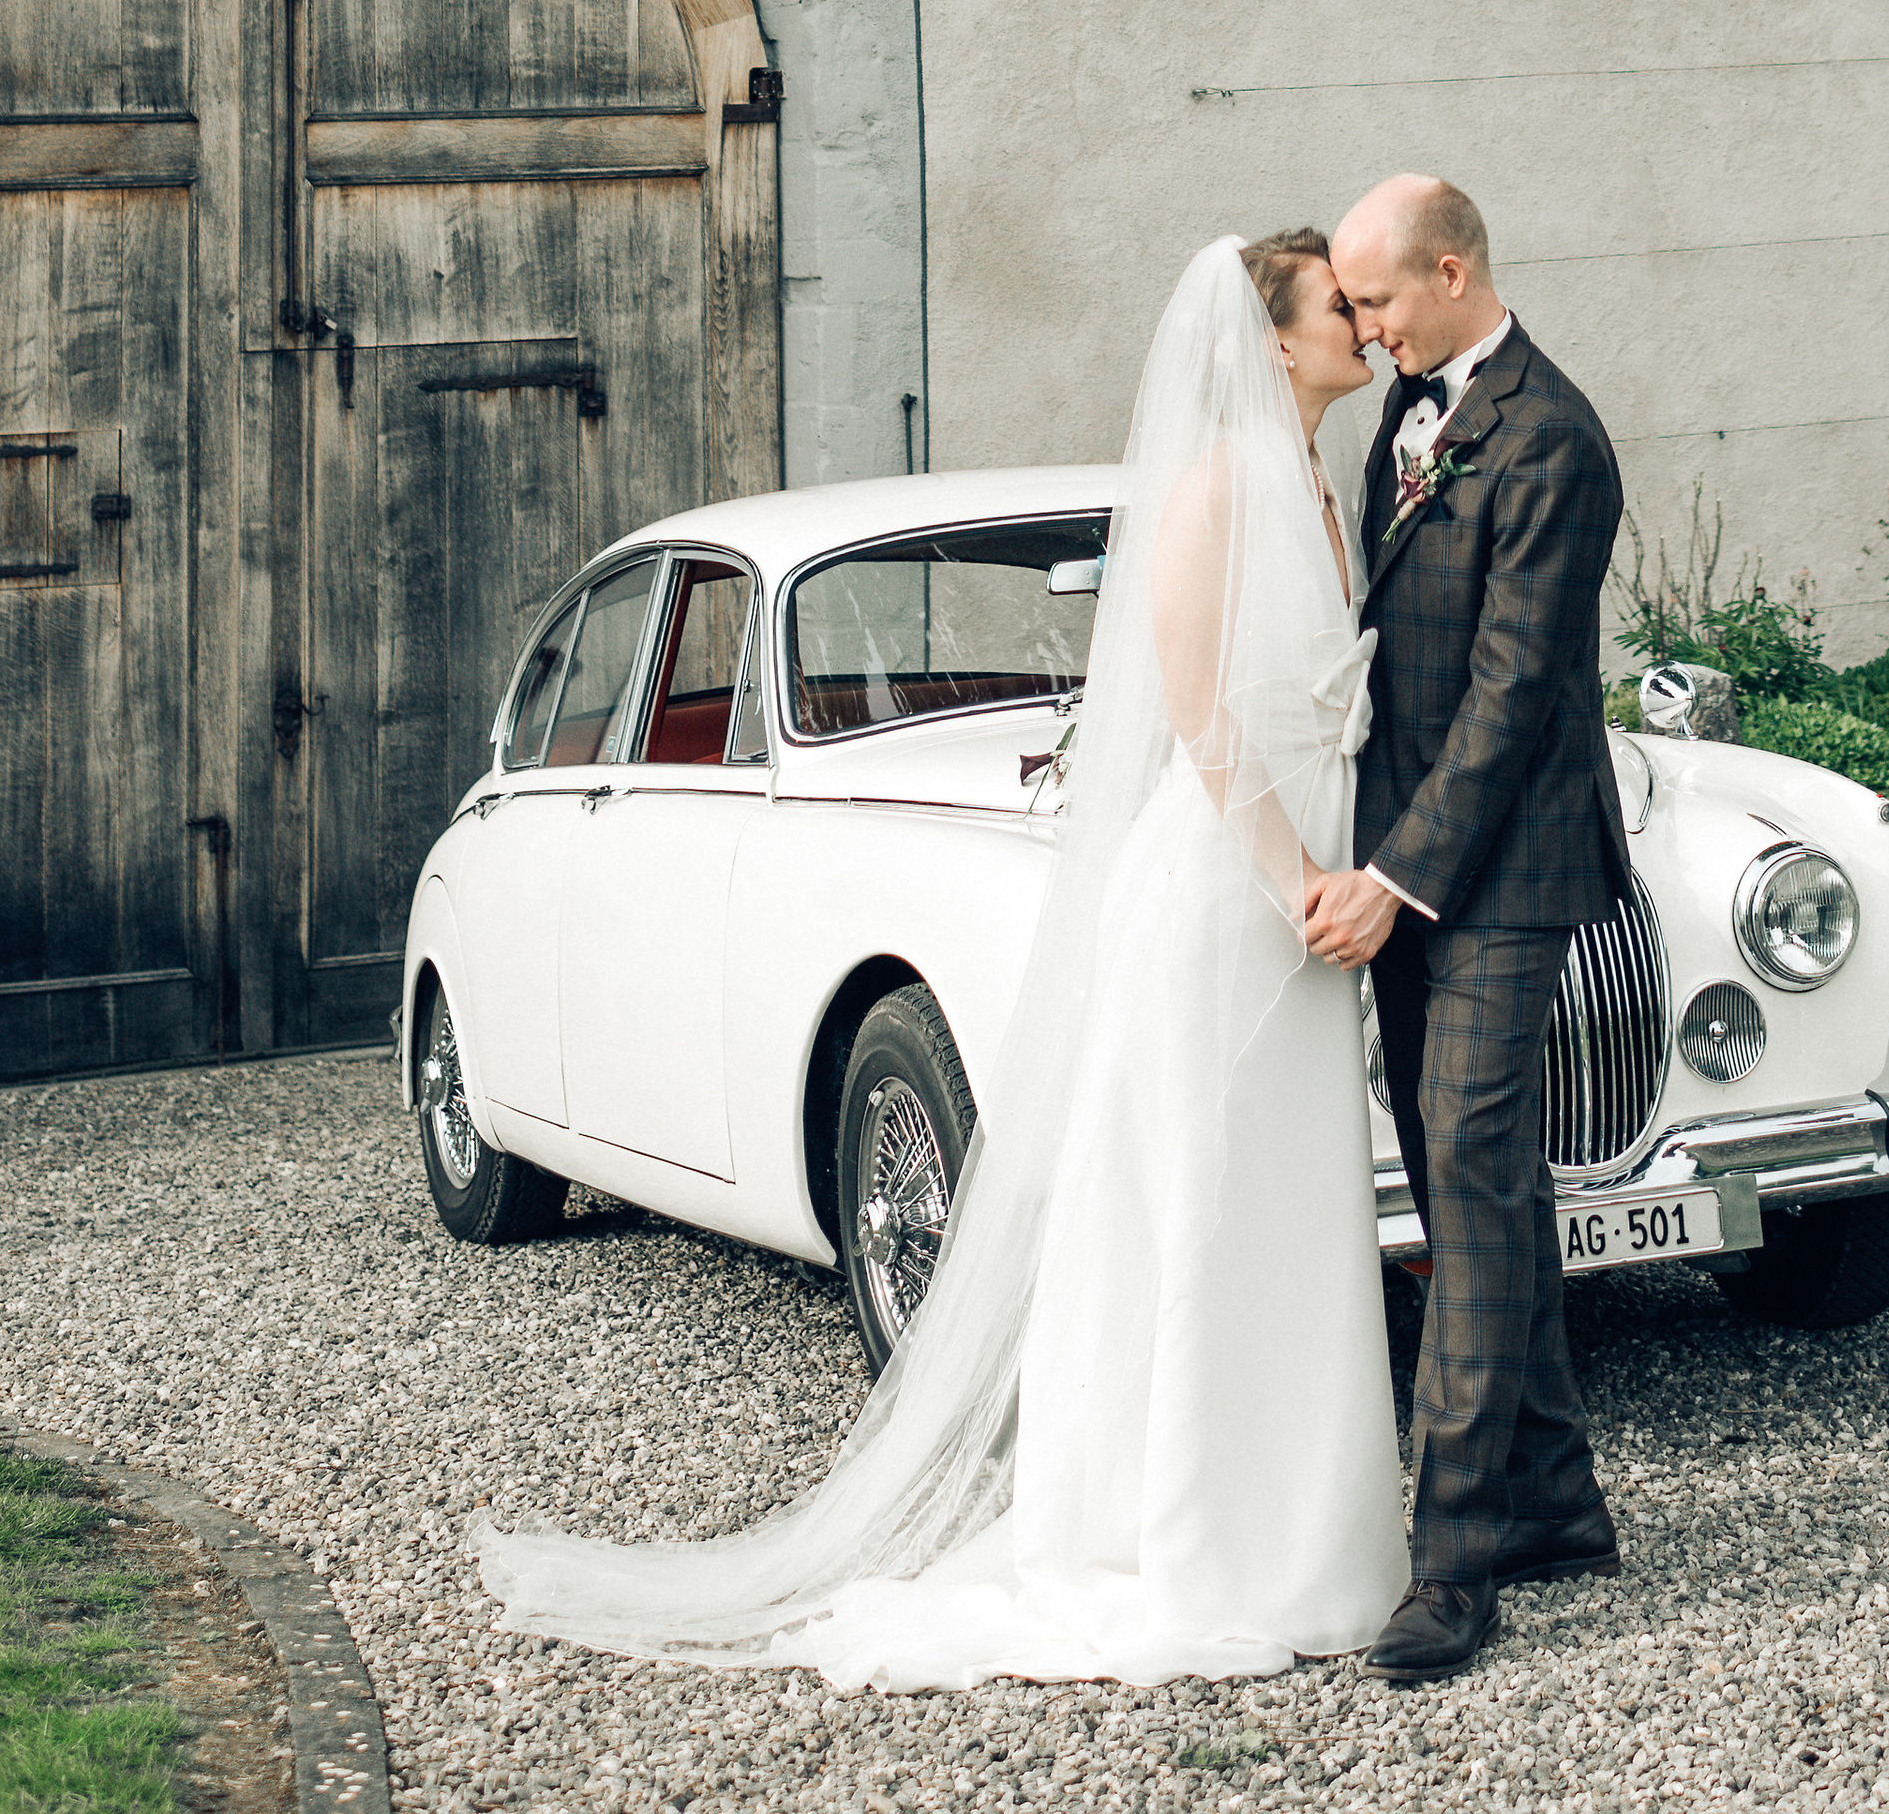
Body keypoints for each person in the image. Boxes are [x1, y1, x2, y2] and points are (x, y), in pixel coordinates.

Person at [479, 231, 1408, 1689]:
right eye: (1341, 307)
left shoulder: (1319, 478)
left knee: (1287, 1210)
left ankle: (1300, 1534)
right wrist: (1304, 882)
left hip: (1309, 893)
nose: (1365, 322)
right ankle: (1189, 1545)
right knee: (1203, 1210)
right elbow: (1196, 711)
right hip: (1235, 893)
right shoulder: (1215, 485)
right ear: (1277, 336)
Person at [1305, 175, 1631, 1685]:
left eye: (1375, 301)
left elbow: (1512, 698)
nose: (1362, 331)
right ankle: (1556, 1498)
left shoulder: (1555, 439)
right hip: (1413, 859)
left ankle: (1454, 1563)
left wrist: (1399, 876)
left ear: (1449, 270)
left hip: (1504, 867)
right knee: (1462, 1178)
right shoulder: (1409, 419)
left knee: (1478, 1162)